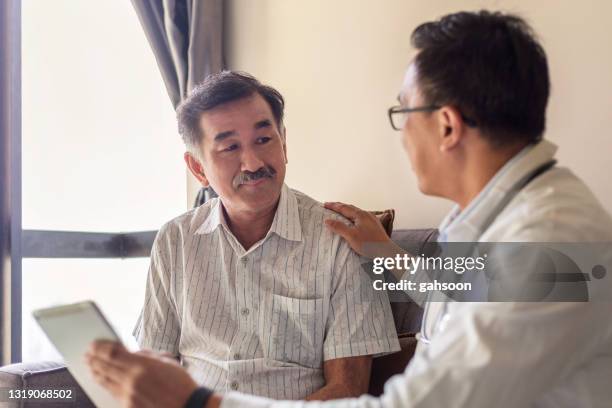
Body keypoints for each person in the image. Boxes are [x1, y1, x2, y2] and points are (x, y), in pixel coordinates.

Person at [86, 10, 612, 408]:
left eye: (404, 112)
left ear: (446, 126)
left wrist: (201, 402)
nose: (402, 131)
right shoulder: (508, 221)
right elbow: (470, 285)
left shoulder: (554, 239)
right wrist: (386, 258)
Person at [128, 71, 400, 401]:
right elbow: (156, 373)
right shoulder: (175, 240)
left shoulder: (343, 239)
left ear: (283, 143)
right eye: (229, 147)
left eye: (264, 139)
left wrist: (387, 254)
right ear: (198, 169)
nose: (253, 162)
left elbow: (346, 391)